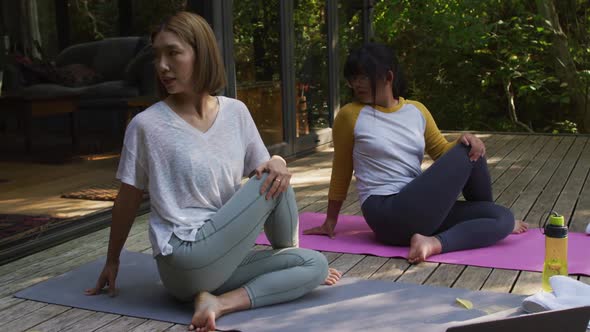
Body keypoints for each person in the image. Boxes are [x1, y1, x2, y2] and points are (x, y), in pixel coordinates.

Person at [85, 12, 340, 332]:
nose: (162, 65)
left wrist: (277, 161)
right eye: (157, 55)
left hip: (220, 261)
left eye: (173, 53)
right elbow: (128, 197)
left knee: (313, 263)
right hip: (183, 257)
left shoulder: (236, 113)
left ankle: (219, 302)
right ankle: (286, 262)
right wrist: (112, 260)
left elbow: (271, 180)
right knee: (275, 174)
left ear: (201, 53)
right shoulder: (147, 125)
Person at [304, 43, 528, 264]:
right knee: (469, 149)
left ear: (388, 76)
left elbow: (441, 151)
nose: (357, 84)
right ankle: (480, 220)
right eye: (353, 78)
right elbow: (341, 168)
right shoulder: (350, 115)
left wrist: (468, 139)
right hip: (385, 211)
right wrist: (330, 220)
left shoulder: (416, 110)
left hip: (418, 207)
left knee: (502, 216)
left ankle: (435, 242)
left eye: (364, 77)